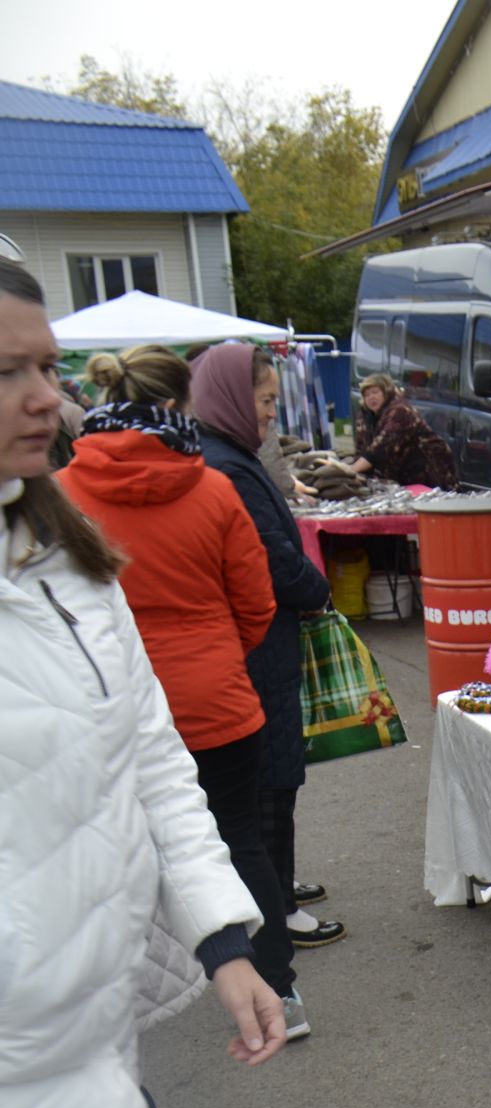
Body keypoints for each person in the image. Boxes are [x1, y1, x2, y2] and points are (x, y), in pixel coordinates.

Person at [0, 258, 285, 1108]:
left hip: (91, 1057)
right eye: (7, 371)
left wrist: (224, 939)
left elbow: (154, 763)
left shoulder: (65, 555)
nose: (48, 397)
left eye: (46, 366)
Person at [60, 345, 317, 1033]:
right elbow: (257, 599)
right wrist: (218, 654)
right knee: (238, 839)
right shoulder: (214, 487)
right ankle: (279, 996)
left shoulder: (59, 493)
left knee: (116, 850)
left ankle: (122, 1010)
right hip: (217, 697)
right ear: (178, 405)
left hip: (107, 706)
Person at [193, 344, 347, 949]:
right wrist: (317, 587)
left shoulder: (226, 456)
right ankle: (275, 907)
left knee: (271, 778)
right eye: (263, 402)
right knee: (270, 780)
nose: (269, 416)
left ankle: (277, 885)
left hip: (256, 644)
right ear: (233, 398)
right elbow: (273, 562)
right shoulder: (228, 466)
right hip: (256, 648)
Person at [350, 373, 455, 488]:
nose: (371, 397)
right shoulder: (365, 416)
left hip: (429, 472)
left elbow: (381, 449)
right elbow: (361, 449)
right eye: (367, 395)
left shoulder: (400, 411)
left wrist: (350, 471)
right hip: (400, 476)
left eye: (375, 392)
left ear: (386, 392)